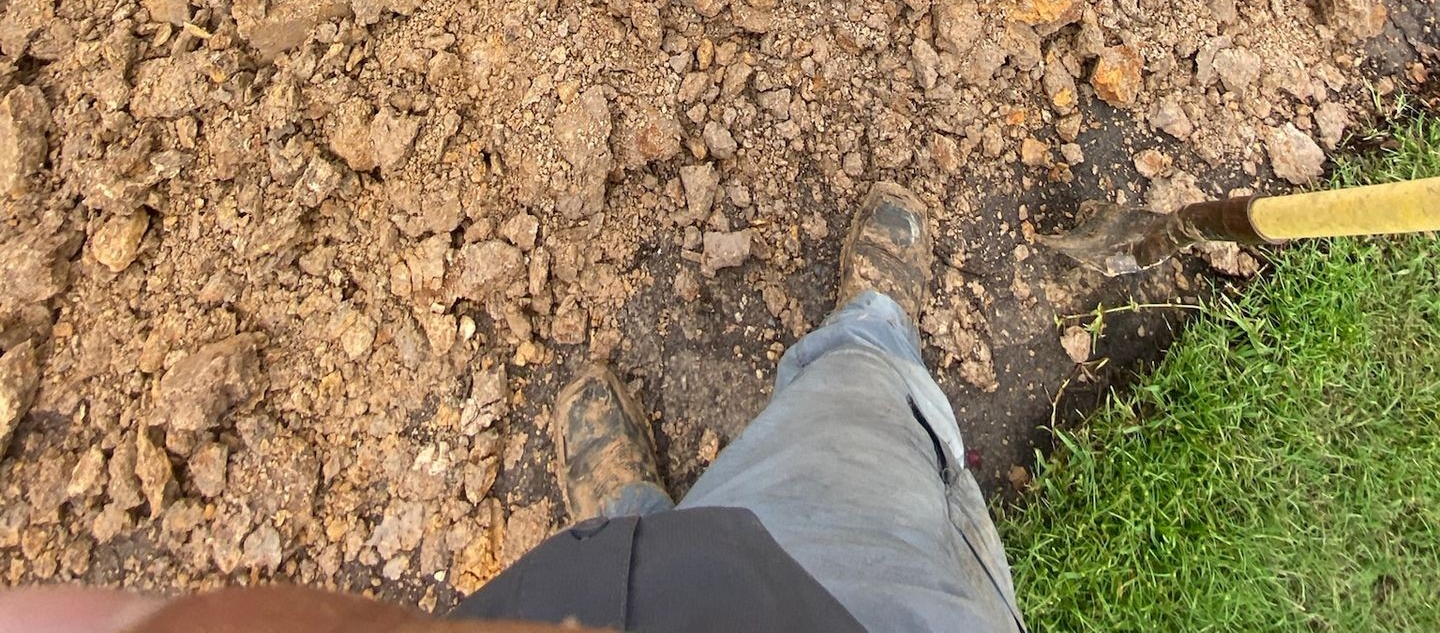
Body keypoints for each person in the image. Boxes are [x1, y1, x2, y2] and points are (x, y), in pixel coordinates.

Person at [4, 185, 1023, 633]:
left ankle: (628, 515)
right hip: (856, 608)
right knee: (860, 431)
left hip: (592, 609)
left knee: (614, 549)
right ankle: (869, 339)